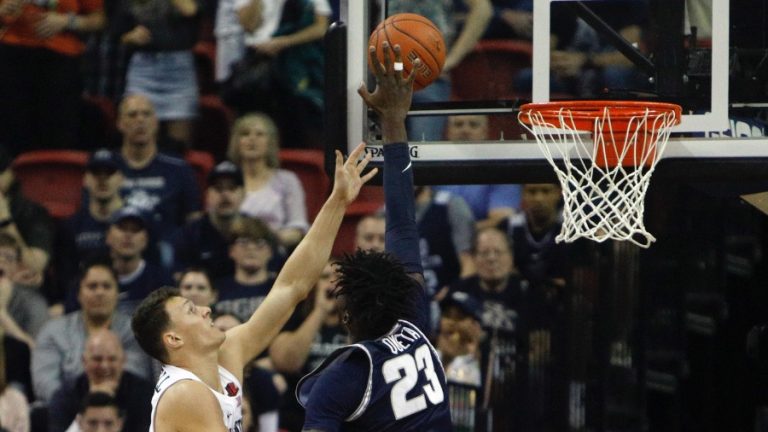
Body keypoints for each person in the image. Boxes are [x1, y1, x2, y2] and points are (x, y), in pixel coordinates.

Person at [130, 135, 377, 430]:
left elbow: (292, 287)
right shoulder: (185, 392)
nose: (207, 310)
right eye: (192, 311)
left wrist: (337, 202)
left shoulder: (226, 355)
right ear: (174, 339)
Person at [296, 43, 452, 431]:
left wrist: (393, 120)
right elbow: (402, 223)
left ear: (345, 316)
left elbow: (400, 225)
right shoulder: (414, 322)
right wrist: (395, 121)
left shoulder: (340, 380)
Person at [32, 260, 151, 402]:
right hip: (67, 410)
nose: (99, 292)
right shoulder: (53, 331)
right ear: (79, 294)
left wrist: (105, 401)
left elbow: (136, 376)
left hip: (123, 409)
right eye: (92, 286)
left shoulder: (134, 331)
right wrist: (79, 404)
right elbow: (44, 382)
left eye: (106, 286)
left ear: (117, 293)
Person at [0, 0, 104, 155]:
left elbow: (100, 20)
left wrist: (67, 21)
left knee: (58, 133)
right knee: (15, 130)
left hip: (61, 59)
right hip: (13, 55)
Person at [115, 94, 202, 267]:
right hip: (120, 251)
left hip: (167, 254)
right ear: (120, 123)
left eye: (146, 114)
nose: (140, 120)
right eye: (132, 115)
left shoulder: (179, 169)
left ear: (156, 123)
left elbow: (195, 223)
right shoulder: (106, 168)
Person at [389, 0, 492, 141]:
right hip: (386, 76)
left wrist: (452, 59)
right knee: (375, 150)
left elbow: (483, 9)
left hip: (429, 77)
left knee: (425, 150)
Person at [269, 261, 346, 431]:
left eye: (339, 277)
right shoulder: (296, 317)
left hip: (343, 415)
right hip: (299, 415)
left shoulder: (355, 322)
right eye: (325, 277)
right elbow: (286, 362)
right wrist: (320, 312)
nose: (333, 283)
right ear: (313, 284)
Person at [114, 0, 201, 149]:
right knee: (137, 136)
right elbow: (116, 32)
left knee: (179, 144)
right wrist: (131, 37)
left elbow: (190, 10)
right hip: (143, 68)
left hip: (179, 68)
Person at [228, 112, 308, 249]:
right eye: (245, 134)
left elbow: (297, 228)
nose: (252, 139)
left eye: (259, 134)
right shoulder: (226, 179)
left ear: (271, 142)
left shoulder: (287, 181)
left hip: (275, 252)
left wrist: (265, 242)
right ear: (236, 142)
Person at [48, 329, 153, 432]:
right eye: (97, 359)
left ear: (123, 361)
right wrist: (91, 400)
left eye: (112, 359)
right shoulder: (65, 396)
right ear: (84, 361)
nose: (104, 366)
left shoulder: (145, 395)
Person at [436, 114, 522, 230]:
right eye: (458, 124)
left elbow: (501, 219)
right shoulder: (433, 166)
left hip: (481, 237)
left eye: (473, 125)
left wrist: (460, 235)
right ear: (448, 131)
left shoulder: (500, 169)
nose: (465, 130)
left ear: (485, 132)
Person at [171, 161, 249, 280]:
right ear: (207, 195)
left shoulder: (257, 230)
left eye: (231, 188)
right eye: (218, 188)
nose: (225, 194)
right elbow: (180, 279)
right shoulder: (188, 235)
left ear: (243, 194)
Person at [0, 147, 54, 289]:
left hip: (20, 292)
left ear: (11, 173)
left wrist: (5, 220)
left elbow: (35, 266)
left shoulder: (32, 213)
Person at [104, 207, 172, 314]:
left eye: (135, 230)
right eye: (122, 228)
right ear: (108, 236)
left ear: (145, 239)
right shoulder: (92, 281)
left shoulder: (162, 283)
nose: (128, 235)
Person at [499, 183, 568, 289]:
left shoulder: (572, 229)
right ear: (522, 195)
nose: (538, 198)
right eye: (532, 192)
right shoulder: (508, 227)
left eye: (546, 191)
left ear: (559, 193)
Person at [214, 218, 278, 322]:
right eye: (243, 242)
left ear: (270, 251)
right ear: (231, 251)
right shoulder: (216, 290)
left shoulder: (279, 288)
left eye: (260, 243)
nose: (251, 248)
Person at [0, 233, 48, 347]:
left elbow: (38, 351)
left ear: (17, 266)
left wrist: (2, 314)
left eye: (8, 258)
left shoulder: (33, 302)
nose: (1, 262)